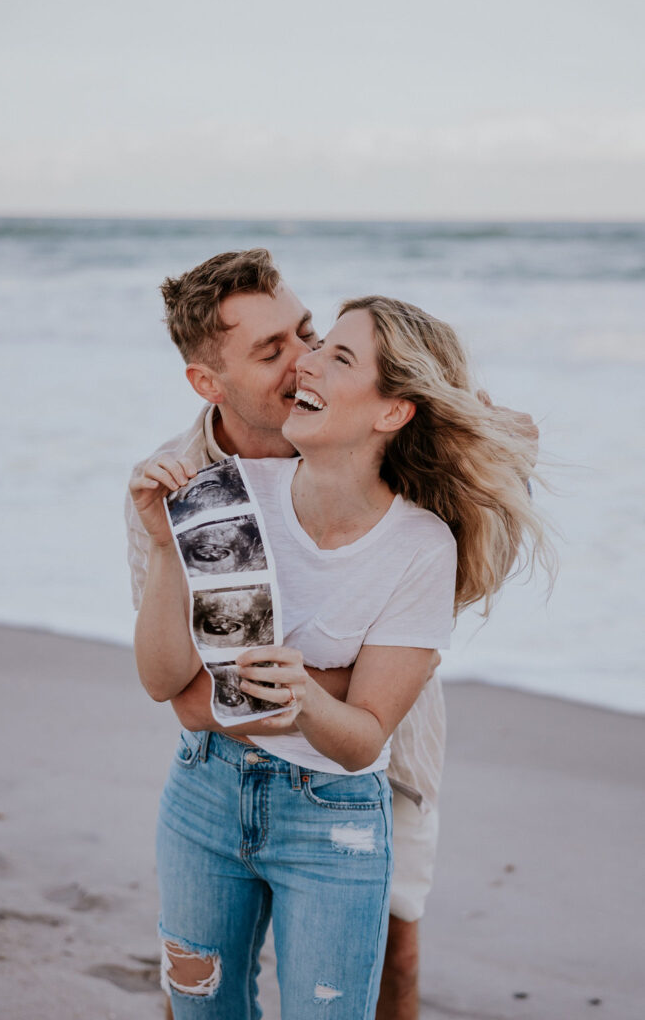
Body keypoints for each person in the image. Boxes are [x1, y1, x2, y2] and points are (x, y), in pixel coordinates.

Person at [127, 254, 548, 1018]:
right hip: (218, 776)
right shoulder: (184, 485)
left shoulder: (390, 471)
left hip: (379, 766)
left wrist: (491, 454)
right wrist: (332, 685)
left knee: (390, 968)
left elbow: (439, 605)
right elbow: (184, 691)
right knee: (197, 995)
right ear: (208, 384)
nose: (302, 363)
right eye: (271, 351)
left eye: (309, 334)